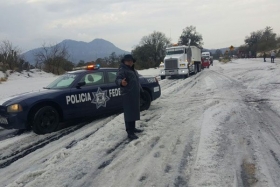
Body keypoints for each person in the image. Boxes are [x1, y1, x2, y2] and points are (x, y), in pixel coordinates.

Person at [115, 54, 143, 140]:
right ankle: (129, 132)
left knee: (133, 112)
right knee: (129, 114)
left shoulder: (132, 70)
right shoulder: (122, 69)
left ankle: (133, 128)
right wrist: (121, 83)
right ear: (124, 61)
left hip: (134, 94)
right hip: (127, 95)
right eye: (127, 61)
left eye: (130, 60)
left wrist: (141, 90)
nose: (129, 62)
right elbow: (117, 79)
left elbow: (136, 81)